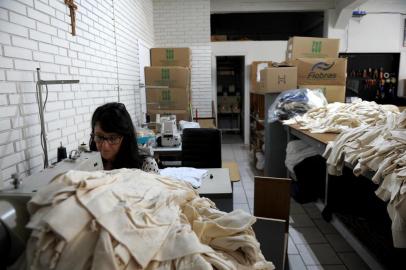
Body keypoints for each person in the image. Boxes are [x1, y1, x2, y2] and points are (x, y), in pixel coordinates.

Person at [89, 102, 159, 173]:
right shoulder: (90, 164)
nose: (105, 146)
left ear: (125, 137)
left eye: (113, 138)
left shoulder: (146, 166)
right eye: (99, 137)